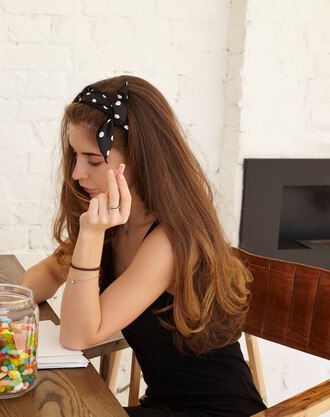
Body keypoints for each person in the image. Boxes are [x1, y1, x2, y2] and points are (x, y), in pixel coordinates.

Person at [21, 75, 266, 417]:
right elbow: (50, 270)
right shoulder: (113, 222)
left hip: (218, 411)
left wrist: (90, 236)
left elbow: (77, 335)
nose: (77, 172)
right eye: (75, 155)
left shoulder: (169, 242)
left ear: (137, 159)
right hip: (161, 406)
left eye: (93, 160)